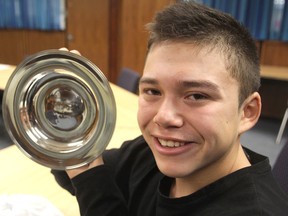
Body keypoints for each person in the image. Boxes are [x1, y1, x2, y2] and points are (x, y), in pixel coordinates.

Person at [51, 1, 288, 215]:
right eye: (153, 91)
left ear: (247, 112)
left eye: (196, 95)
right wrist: (62, 117)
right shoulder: (151, 154)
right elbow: (81, 177)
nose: (163, 117)